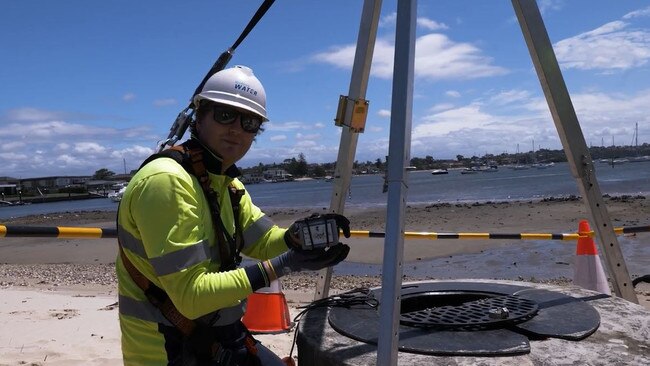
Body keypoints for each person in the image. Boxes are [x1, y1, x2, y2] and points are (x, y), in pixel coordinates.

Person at [116, 65, 351, 365]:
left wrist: (296, 238)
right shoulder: (167, 181)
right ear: (198, 116)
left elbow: (265, 240)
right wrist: (286, 263)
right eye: (225, 114)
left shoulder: (227, 184)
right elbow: (191, 297)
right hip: (167, 349)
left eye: (249, 122)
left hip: (215, 336)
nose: (236, 129)